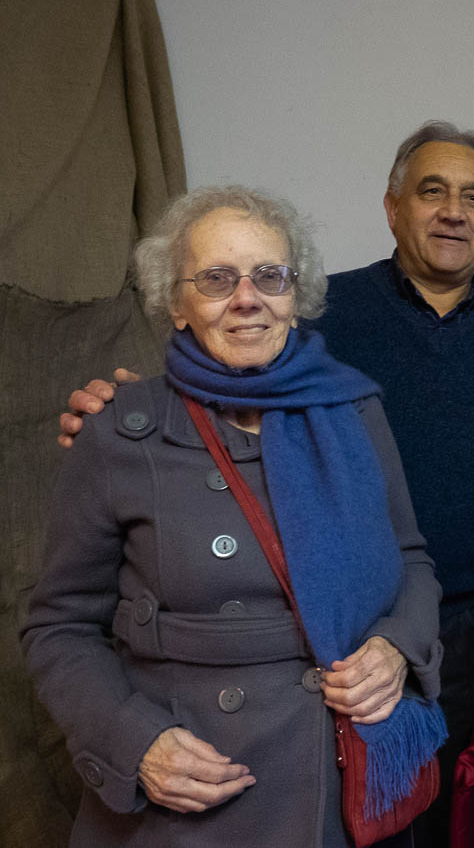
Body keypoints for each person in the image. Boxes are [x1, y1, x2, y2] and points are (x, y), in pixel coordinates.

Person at [57, 121, 474, 844]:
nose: (454, 210)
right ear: (393, 206)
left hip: (451, 623)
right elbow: (209, 386)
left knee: (420, 806)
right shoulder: (331, 315)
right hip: (313, 643)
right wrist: (125, 410)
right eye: (433, 190)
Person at [25, 186, 446, 847]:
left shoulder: (354, 411)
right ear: (176, 302)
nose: (247, 298)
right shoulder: (118, 435)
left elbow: (411, 558)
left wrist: (397, 644)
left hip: (340, 787)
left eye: (269, 276)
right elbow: (58, 627)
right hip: (188, 797)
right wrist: (137, 741)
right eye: (217, 278)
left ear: (294, 293)